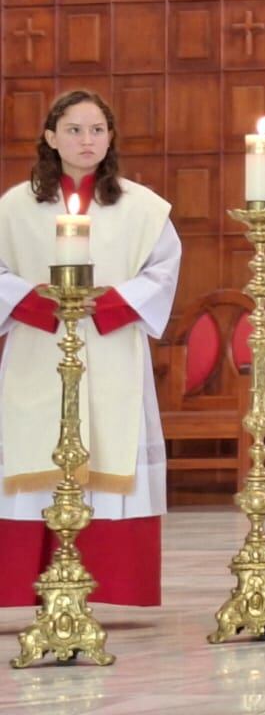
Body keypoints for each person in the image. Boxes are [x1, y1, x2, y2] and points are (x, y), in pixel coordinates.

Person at [0, 90, 180, 607]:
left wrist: (109, 307)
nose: (86, 140)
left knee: (110, 445)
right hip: (38, 346)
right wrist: (37, 304)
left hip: (112, 349)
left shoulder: (142, 208)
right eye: (74, 129)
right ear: (51, 137)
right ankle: (30, 580)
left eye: (97, 129)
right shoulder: (15, 207)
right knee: (35, 449)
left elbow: (162, 270)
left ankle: (109, 582)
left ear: (110, 138)